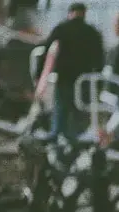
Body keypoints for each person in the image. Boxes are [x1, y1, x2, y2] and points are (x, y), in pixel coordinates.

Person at [35, 2, 105, 139]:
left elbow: (45, 50)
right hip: (83, 81)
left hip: (64, 79)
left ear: (70, 13)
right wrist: (99, 85)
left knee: (60, 113)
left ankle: (56, 143)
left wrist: (38, 74)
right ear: (84, 13)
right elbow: (100, 59)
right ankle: (74, 144)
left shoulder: (62, 29)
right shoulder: (92, 32)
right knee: (79, 115)